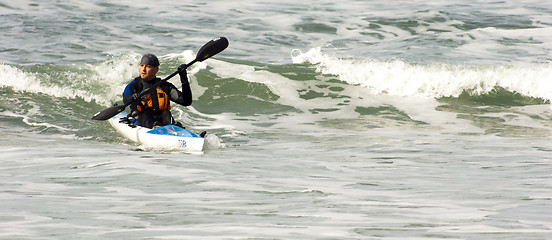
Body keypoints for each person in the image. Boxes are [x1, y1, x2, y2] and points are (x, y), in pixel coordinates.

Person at [122, 54, 192, 128]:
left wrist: (184, 78)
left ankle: (172, 129)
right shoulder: (134, 85)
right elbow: (125, 99)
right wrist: (133, 98)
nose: (143, 69)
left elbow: (186, 101)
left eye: (148, 66)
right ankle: (156, 128)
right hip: (142, 120)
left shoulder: (164, 86)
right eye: (142, 65)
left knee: (166, 113)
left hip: (163, 120)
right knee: (146, 113)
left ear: (156, 69)